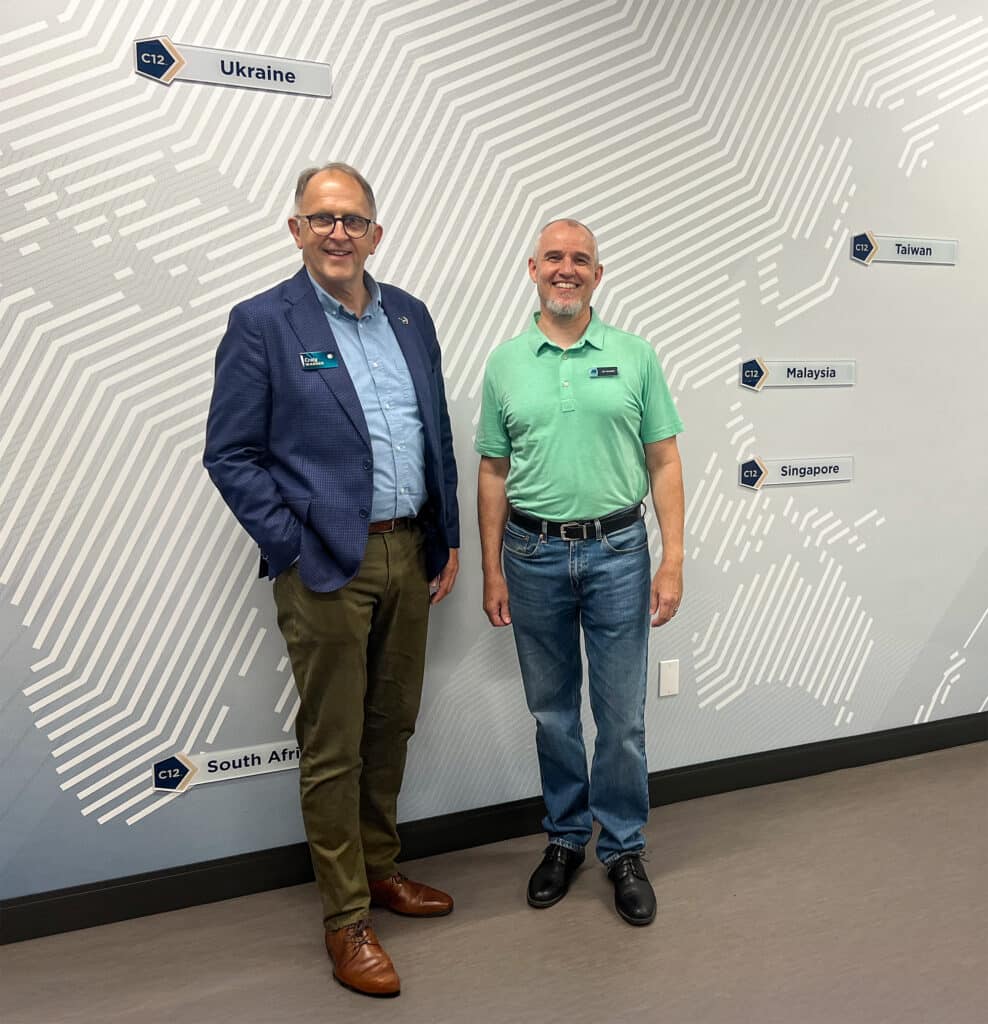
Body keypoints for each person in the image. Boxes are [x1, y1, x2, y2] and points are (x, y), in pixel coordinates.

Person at [204, 162, 459, 998]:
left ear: (376, 233)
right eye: (322, 219)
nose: (338, 232)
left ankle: (380, 867)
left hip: (408, 552)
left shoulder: (410, 315)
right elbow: (231, 454)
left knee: (391, 726)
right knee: (334, 744)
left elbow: (435, 432)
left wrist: (447, 537)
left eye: (352, 219)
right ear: (297, 230)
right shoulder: (262, 323)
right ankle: (346, 917)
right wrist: (291, 544)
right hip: (325, 565)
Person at [476, 218, 684, 927]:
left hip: (619, 553)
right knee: (552, 713)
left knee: (621, 717)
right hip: (530, 556)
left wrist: (673, 559)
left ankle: (623, 848)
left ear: (599, 274)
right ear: (532, 269)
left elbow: (664, 460)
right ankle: (566, 837)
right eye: (554, 258)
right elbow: (493, 470)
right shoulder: (505, 363)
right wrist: (492, 570)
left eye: (580, 259)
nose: (566, 269)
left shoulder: (635, 356)